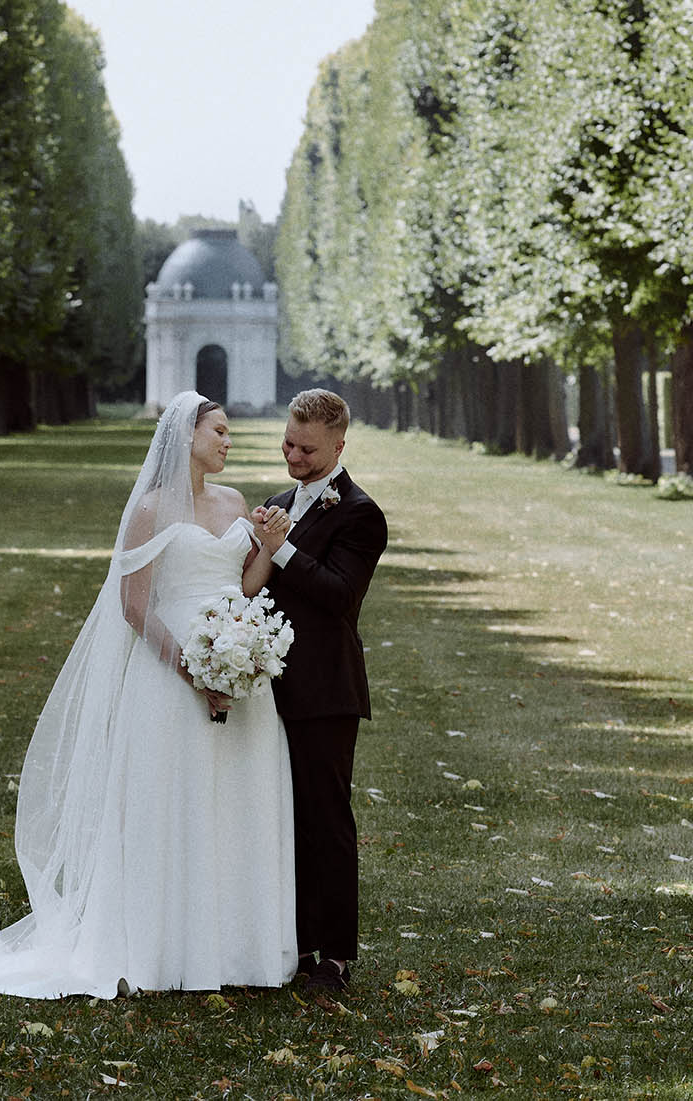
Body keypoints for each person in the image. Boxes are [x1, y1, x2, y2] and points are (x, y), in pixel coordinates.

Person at [0, 392, 296, 998]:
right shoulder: (149, 510)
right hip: (171, 678)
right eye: (218, 431)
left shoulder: (234, 503)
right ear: (185, 435)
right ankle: (163, 950)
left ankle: (228, 951)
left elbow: (241, 584)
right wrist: (196, 673)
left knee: (230, 802)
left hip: (236, 670)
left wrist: (256, 597)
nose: (227, 441)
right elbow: (135, 606)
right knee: (171, 802)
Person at [251, 389, 387, 993]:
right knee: (277, 816)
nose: (294, 457)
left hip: (325, 689)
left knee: (325, 820)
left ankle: (333, 955)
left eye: (307, 449)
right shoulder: (278, 504)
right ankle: (289, 943)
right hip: (265, 685)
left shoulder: (361, 514)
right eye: (287, 444)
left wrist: (282, 549)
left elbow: (340, 595)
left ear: (338, 445)